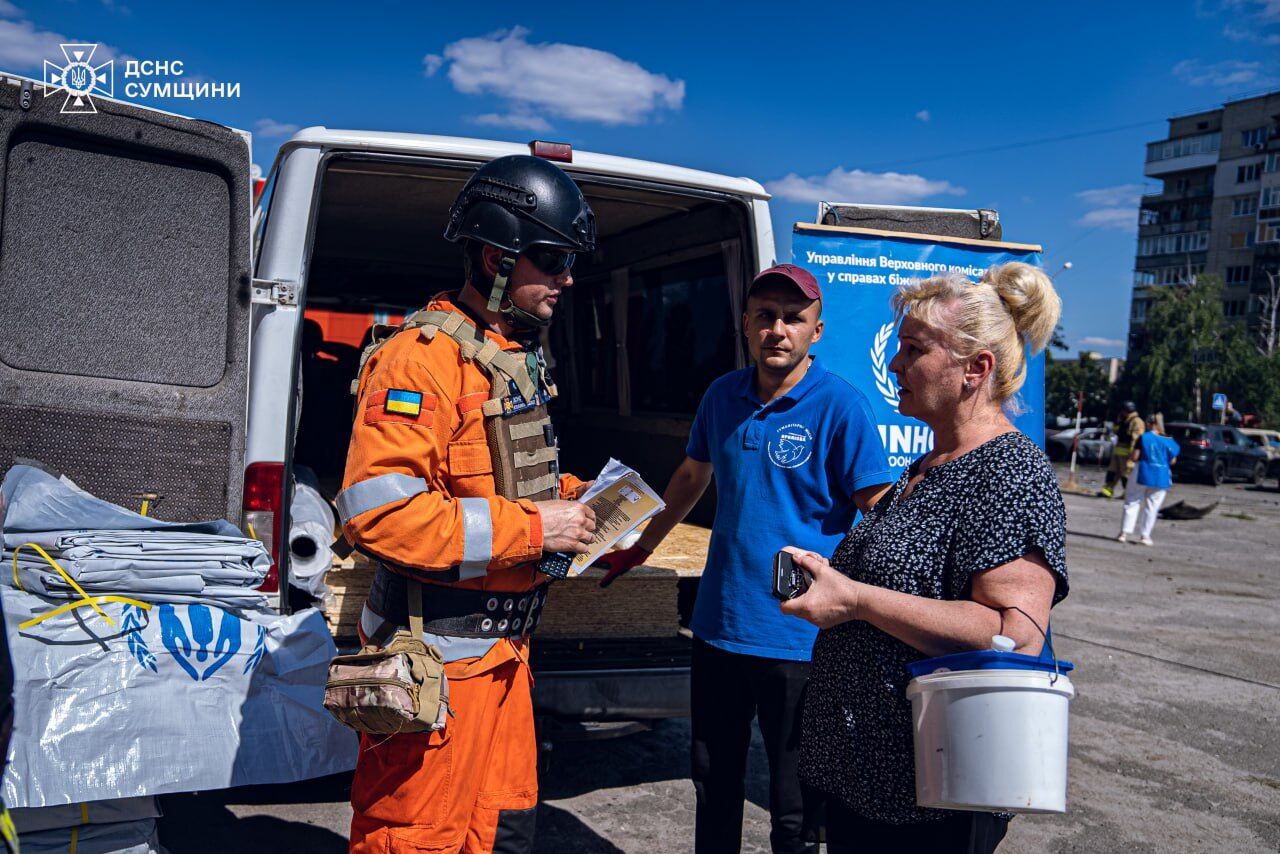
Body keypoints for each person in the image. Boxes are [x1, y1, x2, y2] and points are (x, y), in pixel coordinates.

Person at [339, 155, 598, 854]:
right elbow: (380, 515)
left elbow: (502, 489)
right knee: (416, 838)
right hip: (433, 672)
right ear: (495, 256)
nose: (566, 280)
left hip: (504, 660)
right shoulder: (418, 360)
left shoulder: (509, 357)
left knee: (503, 831)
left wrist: (582, 505)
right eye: (553, 260)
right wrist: (539, 526)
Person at [595, 264, 893, 854]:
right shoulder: (721, 396)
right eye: (765, 316)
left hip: (798, 639)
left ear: (818, 330)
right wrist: (642, 545)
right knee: (713, 783)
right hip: (718, 626)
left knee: (795, 807)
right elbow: (690, 475)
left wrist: (878, 608)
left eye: (793, 318)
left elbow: (878, 508)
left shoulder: (840, 406)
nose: (777, 329)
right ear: (745, 325)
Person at [780, 263, 1070, 853]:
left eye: (913, 350)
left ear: (975, 370)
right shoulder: (927, 468)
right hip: (869, 785)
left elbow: (1014, 635)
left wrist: (856, 599)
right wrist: (832, 579)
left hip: (932, 801)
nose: (894, 365)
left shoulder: (1009, 475)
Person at [1118, 417, 1180, 546]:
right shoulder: (1169, 440)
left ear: (1151, 424)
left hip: (1143, 472)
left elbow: (1135, 456)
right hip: (1161, 476)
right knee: (1153, 506)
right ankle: (1145, 536)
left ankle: (1124, 533)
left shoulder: (1144, 437)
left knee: (1132, 501)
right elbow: (1172, 461)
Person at [1100, 400, 1144, 498]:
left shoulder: (1137, 422)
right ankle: (1107, 491)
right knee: (1112, 472)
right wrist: (1118, 422)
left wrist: (1132, 454)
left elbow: (1136, 439)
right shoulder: (1123, 420)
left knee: (1126, 475)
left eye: (1122, 411)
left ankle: (1128, 494)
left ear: (1127, 410)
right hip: (1118, 452)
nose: (1121, 412)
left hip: (1127, 453)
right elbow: (1116, 432)